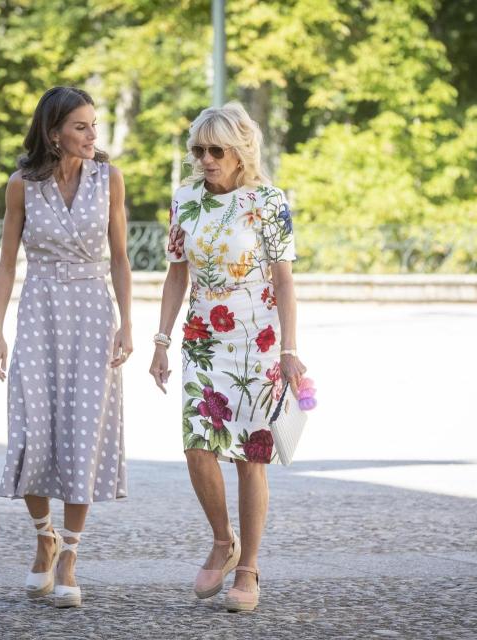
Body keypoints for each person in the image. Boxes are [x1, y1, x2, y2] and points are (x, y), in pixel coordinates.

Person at [149, 102, 305, 612]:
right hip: (201, 337)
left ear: (240, 153)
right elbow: (177, 273)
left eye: (217, 150)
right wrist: (161, 340)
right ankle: (223, 539)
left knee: (249, 459)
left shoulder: (269, 201)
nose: (207, 159)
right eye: (199, 149)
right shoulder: (185, 199)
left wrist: (289, 349)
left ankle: (249, 568)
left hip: (256, 341)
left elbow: (284, 281)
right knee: (198, 447)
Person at [0, 86, 132, 608]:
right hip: (41, 310)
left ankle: (70, 552)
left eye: (94, 125)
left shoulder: (109, 179)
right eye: (81, 127)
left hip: (94, 314)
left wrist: (128, 324)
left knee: (82, 432)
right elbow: (7, 262)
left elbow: (120, 257)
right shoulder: (21, 185)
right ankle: (43, 536)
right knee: (32, 427)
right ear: (54, 133)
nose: (93, 136)